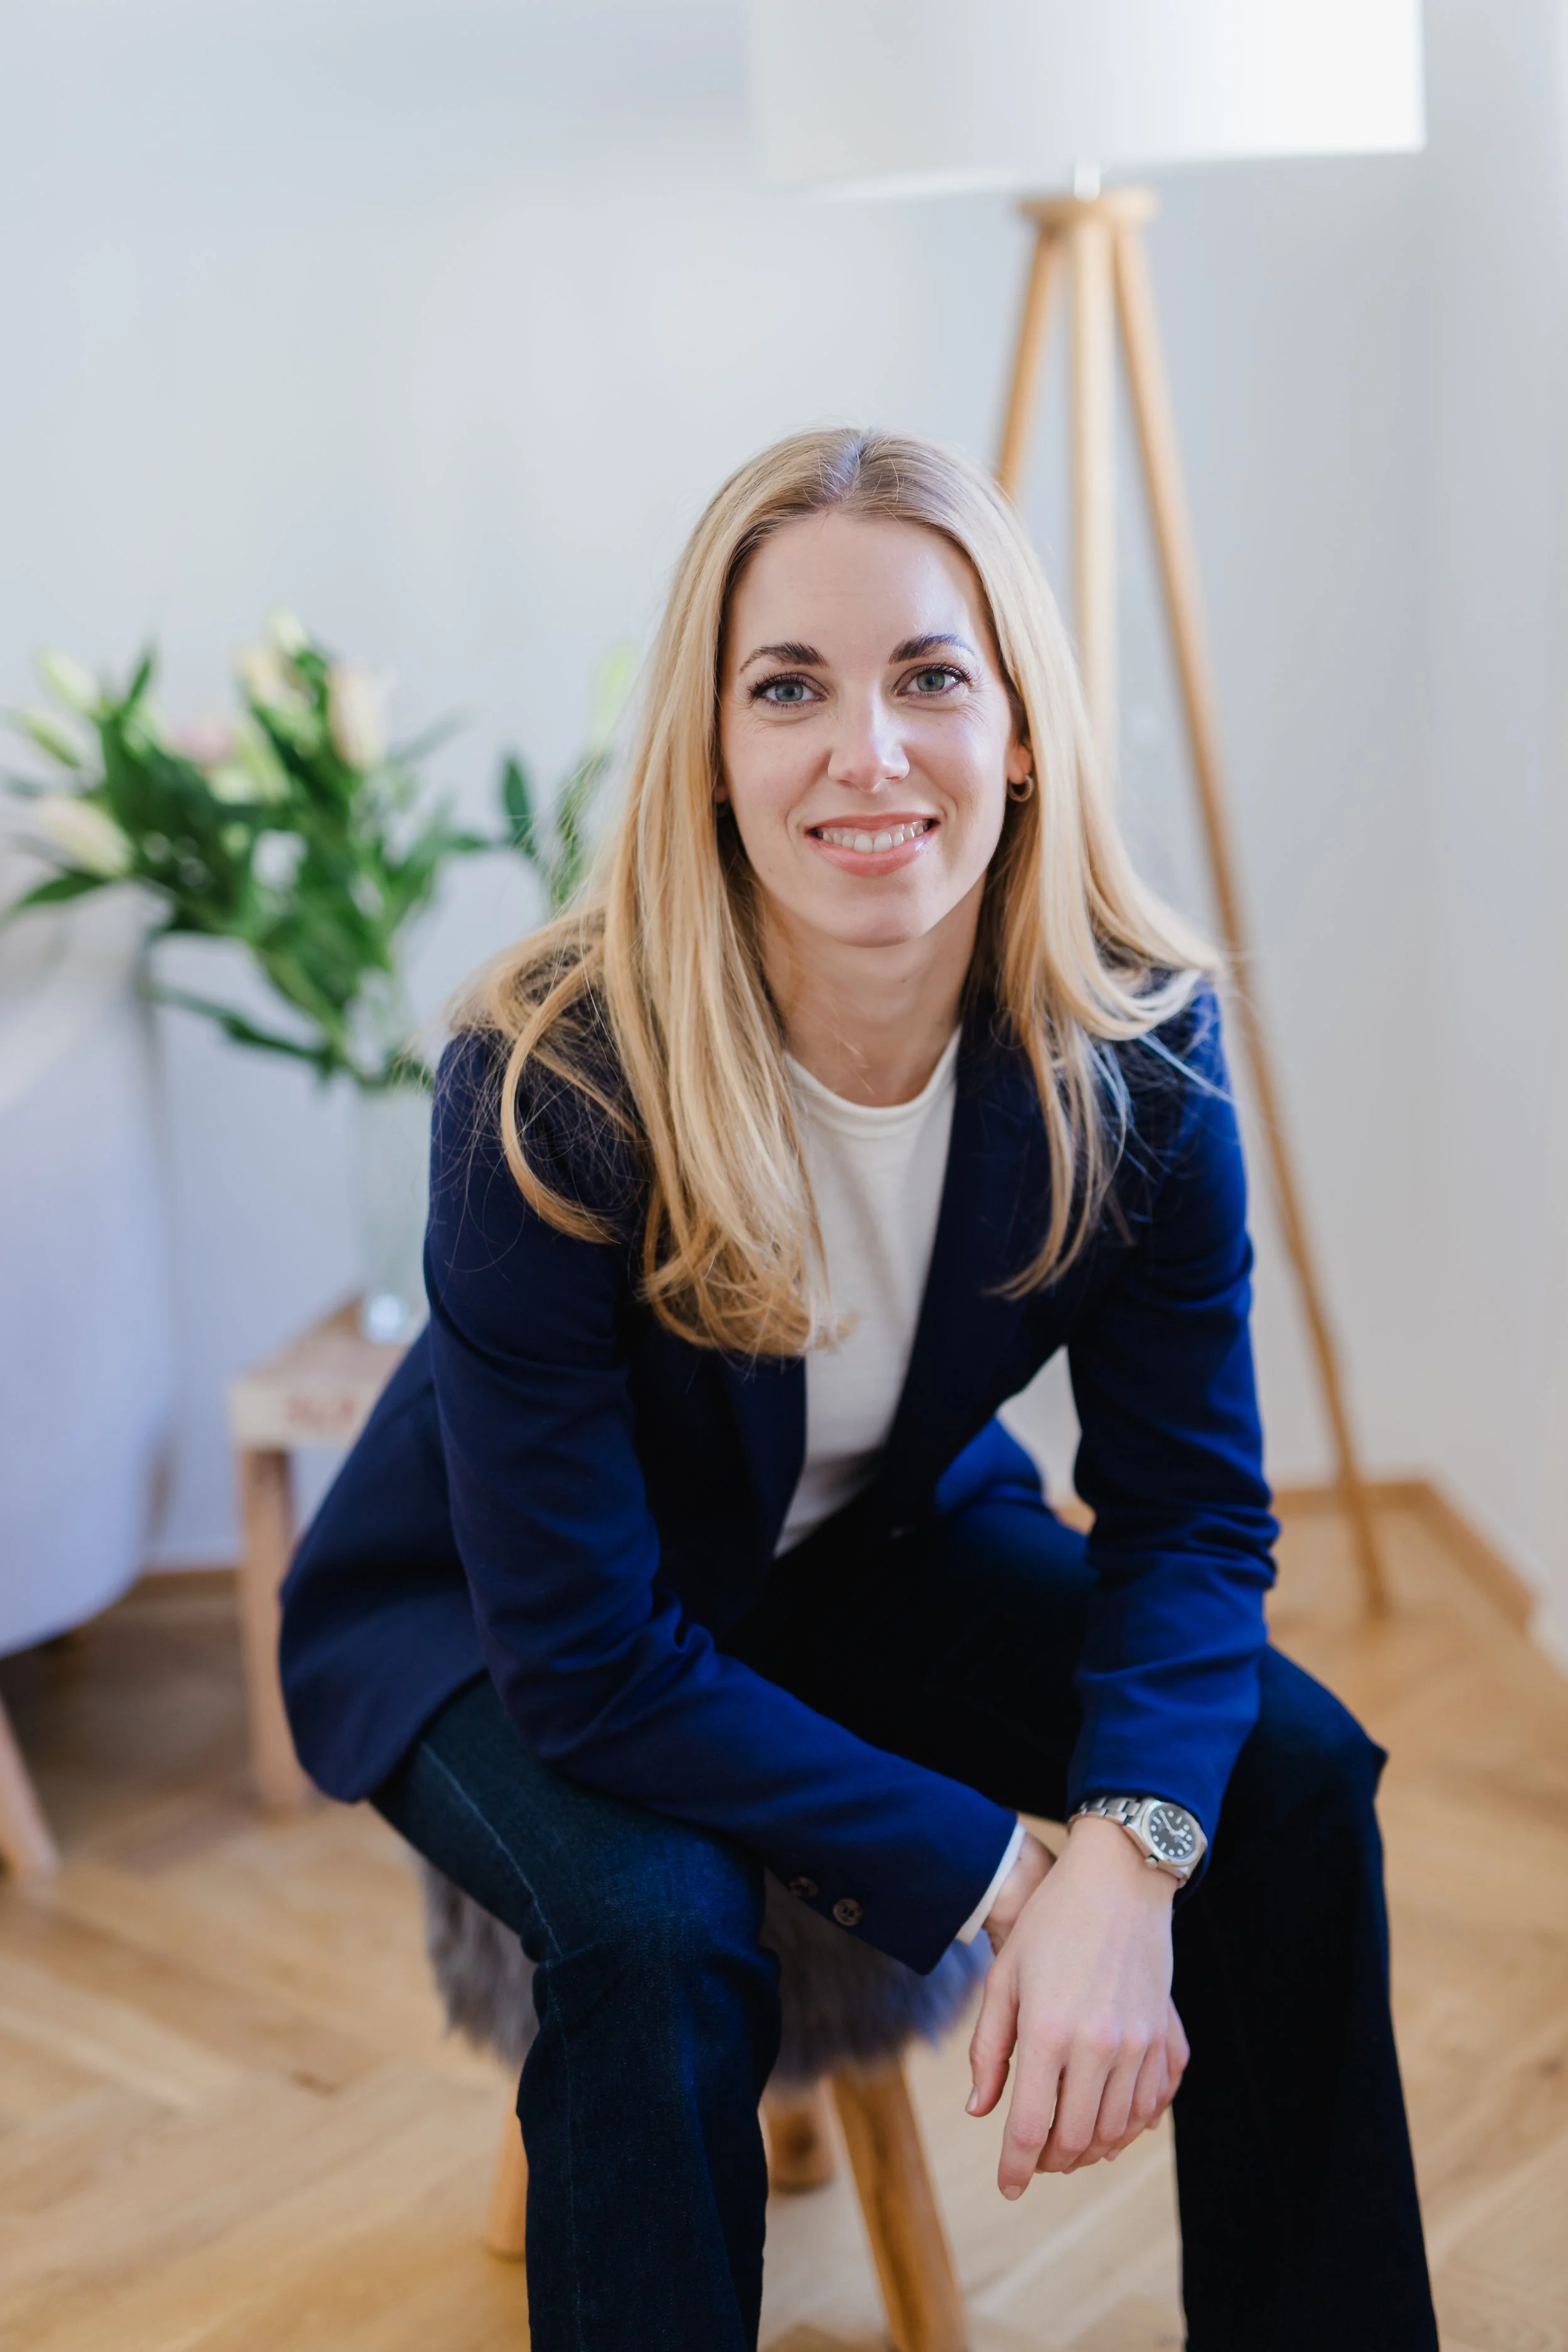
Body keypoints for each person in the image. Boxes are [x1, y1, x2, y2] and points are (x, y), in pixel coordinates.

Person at [278, 428, 1438, 2352]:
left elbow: (1191, 1513)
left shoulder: (1138, 1052)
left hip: (858, 1541)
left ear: (1021, 730)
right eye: (788, 688)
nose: (866, 752)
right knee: (657, 1932)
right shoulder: (549, 1073)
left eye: (928, 678)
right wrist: (1000, 1874)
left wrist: (1131, 1853)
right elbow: (590, 1658)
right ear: (712, 748)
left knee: (1289, 1779)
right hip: (502, 1614)